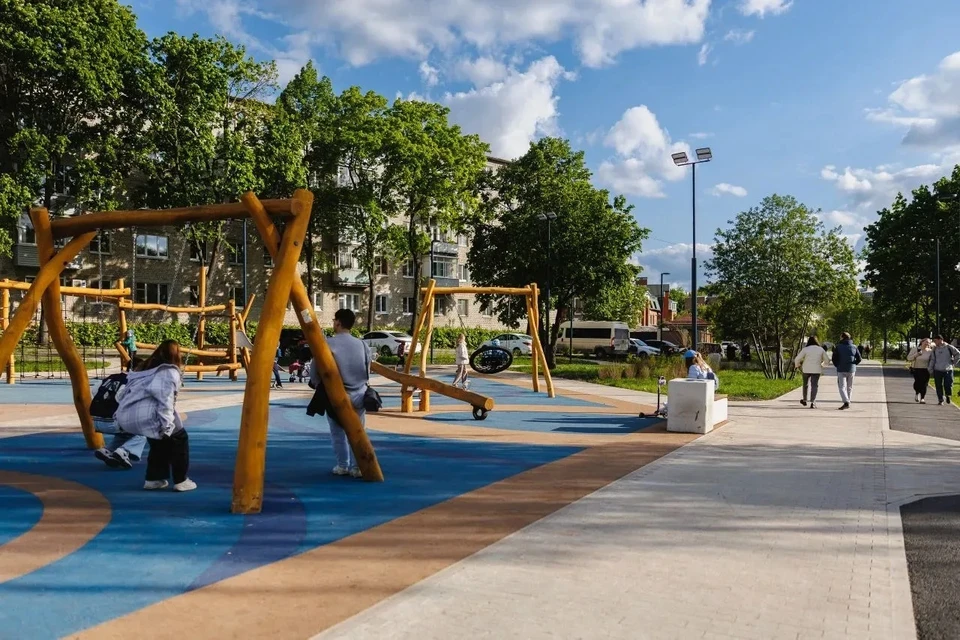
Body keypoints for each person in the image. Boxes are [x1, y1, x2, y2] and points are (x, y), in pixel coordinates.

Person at [115, 340, 196, 492]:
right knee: (179, 438)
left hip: (127, 415)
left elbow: (121, 395)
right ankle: (181, 480)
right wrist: (167, 425)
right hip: (149, 415)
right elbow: (165, 400)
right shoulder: (168, 372)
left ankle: (154, 478)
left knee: (158, 441)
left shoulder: (143, 368)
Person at [310, 309, 370, 478]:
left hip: (337, 393)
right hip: (360, 391)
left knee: (337, 432)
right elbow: (368, 367)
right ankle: (358, 467)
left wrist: (317, 383)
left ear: (338, 322)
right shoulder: (362, 344)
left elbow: (315, 368)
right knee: (359, 431)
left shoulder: (328, 344)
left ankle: (343, 465)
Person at [91, 358, 148, 469]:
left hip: (97, 420)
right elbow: (123, 397)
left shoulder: (111, 378)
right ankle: (123, 452)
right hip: (113, 421)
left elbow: (94, 390)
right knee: (142, 431)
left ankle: (107, 450)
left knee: (126, 433)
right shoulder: (132, 382)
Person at [794, 336, 831, 409]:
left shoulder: (805, 349)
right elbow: (827, 360)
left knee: (805, 385)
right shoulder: (821, 349)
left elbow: (797, 358)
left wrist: (797, 365)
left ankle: (804, 400)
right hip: (816, 370)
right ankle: (812, 402)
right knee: (814, 385)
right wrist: (822, 365)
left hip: (806, 369)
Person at [832, 331, 862, 410]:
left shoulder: (838, 347)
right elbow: (859, 358)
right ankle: (848, 401)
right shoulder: (854, 347)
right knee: (849, 387)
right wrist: (854, 364)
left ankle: (846, 402)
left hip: (841, 369)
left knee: (842, 387)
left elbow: (834, 358)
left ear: (842, 337)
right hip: (851, 369)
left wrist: (837, 365)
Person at [928, 334, 960, 405]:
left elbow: (958, 354)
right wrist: (930, 369)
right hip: (937, 369)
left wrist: (954, 362)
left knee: (948, 384)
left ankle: (948, 395)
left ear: (940, 340)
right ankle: (940, 399)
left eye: (935, 340)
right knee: (938, 385)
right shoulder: (935, 349)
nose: (935, 342)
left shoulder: (949, 347)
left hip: (948, 369)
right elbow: (933, 359)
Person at [907, 339, 933, 403]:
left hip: (926, 369)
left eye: (929, 342)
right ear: (922, 342)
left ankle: (922, 398)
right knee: (917, 383)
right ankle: (917, 392)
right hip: (916, 369)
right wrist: (917, 354)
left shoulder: (930, 351)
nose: (927, 343)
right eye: (926, 342)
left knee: (924, 384)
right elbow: (909, 358)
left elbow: (932, 360)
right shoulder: (915, 349)